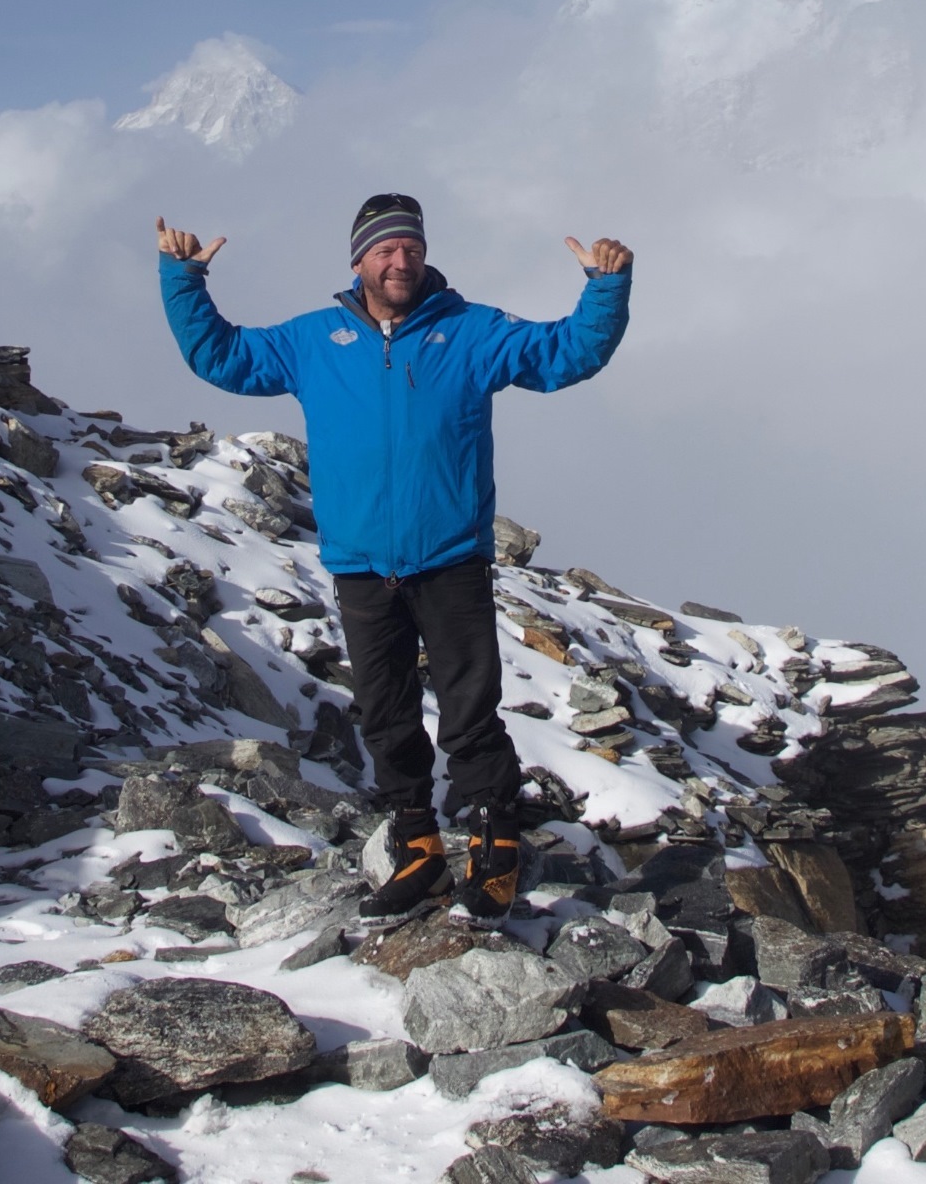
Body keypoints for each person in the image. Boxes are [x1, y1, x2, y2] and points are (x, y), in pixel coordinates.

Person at [156, 192, 632, 919]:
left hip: (448, 560)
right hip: (360, 566)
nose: (399, 259)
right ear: (359, 261)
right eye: (384, 249)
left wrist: (604, 289)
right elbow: (222, 357)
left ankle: (496, 844)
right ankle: (418, 850)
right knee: (385, 715)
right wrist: (182, 280)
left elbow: (565, 354)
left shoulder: (471, 331)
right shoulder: (313, 340)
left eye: (410, 247)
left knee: (470, 714)